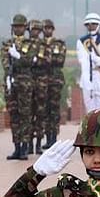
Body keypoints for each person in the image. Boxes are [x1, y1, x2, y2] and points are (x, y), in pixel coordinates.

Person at [2, 13, 38, 160]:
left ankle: (24, 147)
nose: (18, 29)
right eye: (15, 26)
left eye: (21, 26)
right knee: (14, 115)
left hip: (25, 83)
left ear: (25, 28)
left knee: (25, 115)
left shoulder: (31, 44)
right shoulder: (7, 44)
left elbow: (30, 61)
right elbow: (5, 62)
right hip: (12, 82)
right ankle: (16, 147)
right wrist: (9, 75)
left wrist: (17, 57)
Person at [77, 13, 100, 113]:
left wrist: (96, 59)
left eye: (93, 23)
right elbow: (81, 60)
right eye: (88, 24)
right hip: (87, 78)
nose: (91, 26)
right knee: (90, 109)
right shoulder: (81, 41)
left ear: (99, 25)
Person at [42, 19, 67, 150]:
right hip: (41, 80)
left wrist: (44, 59)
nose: (47, 30)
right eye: (45, 28)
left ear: (53, 30)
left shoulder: (59, 44)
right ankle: (47, 137)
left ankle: (53, 137)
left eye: (49, 28)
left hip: (55, 81)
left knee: (54, 110)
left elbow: (59, 60)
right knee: (44, 111)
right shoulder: (38, 44)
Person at [28, 19, 50, 155]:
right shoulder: (25, 44)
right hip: (28, 82)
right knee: (28, 114)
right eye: (32, 30)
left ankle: (38, 143)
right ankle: (29, 143)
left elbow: (48, 61)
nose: (34, 32)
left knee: (40, 113)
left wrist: (36, 61)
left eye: (36, 30)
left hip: (41, 81)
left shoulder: (44, 45)